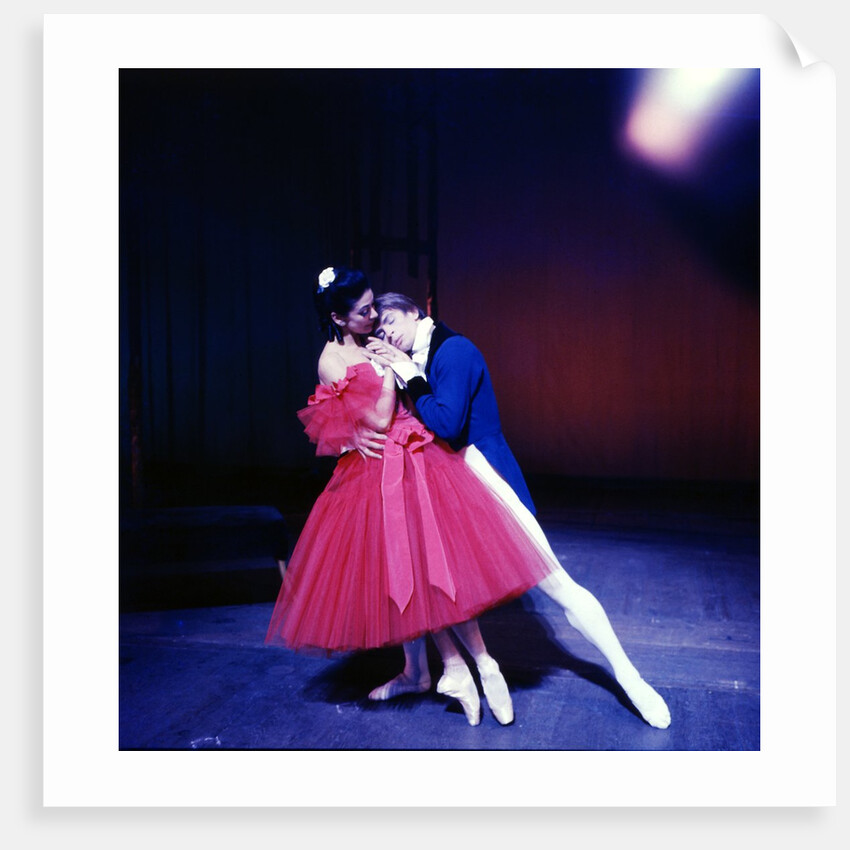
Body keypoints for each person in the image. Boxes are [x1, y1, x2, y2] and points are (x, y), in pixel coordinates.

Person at [361, 293, 672, 730]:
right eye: (380, 330)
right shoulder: (412, 357)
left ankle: (629, 677)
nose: (388, 333)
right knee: (421, 573)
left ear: (415, 312)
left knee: (557, 584)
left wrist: (409, 374)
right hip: (453, 488)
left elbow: (448, 424)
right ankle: (432, 672)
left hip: (490, 479)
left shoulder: (454, 349)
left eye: (392, 321)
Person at [264, 267, 557, 726]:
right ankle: (443, 669)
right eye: (363, 311)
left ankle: (473, 665)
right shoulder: (332, 359)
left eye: (373, 306)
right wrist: (388, 371)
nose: (373, 315)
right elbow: (379, 419)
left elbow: (413, 394)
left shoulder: (376, 337)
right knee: (405, 571)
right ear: (338, 318)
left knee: (438, 566)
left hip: (419, 454)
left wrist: (397, 363)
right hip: (377, 470)